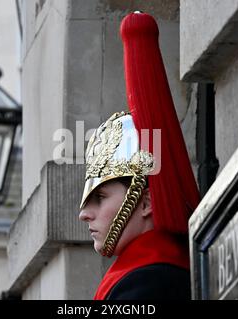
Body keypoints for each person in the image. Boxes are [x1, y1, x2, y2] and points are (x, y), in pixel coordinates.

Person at [79, 12, 200, 300]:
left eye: (101, 197)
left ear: (146, 201)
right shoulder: (144, 276)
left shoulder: (149, 282)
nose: (84, 213)